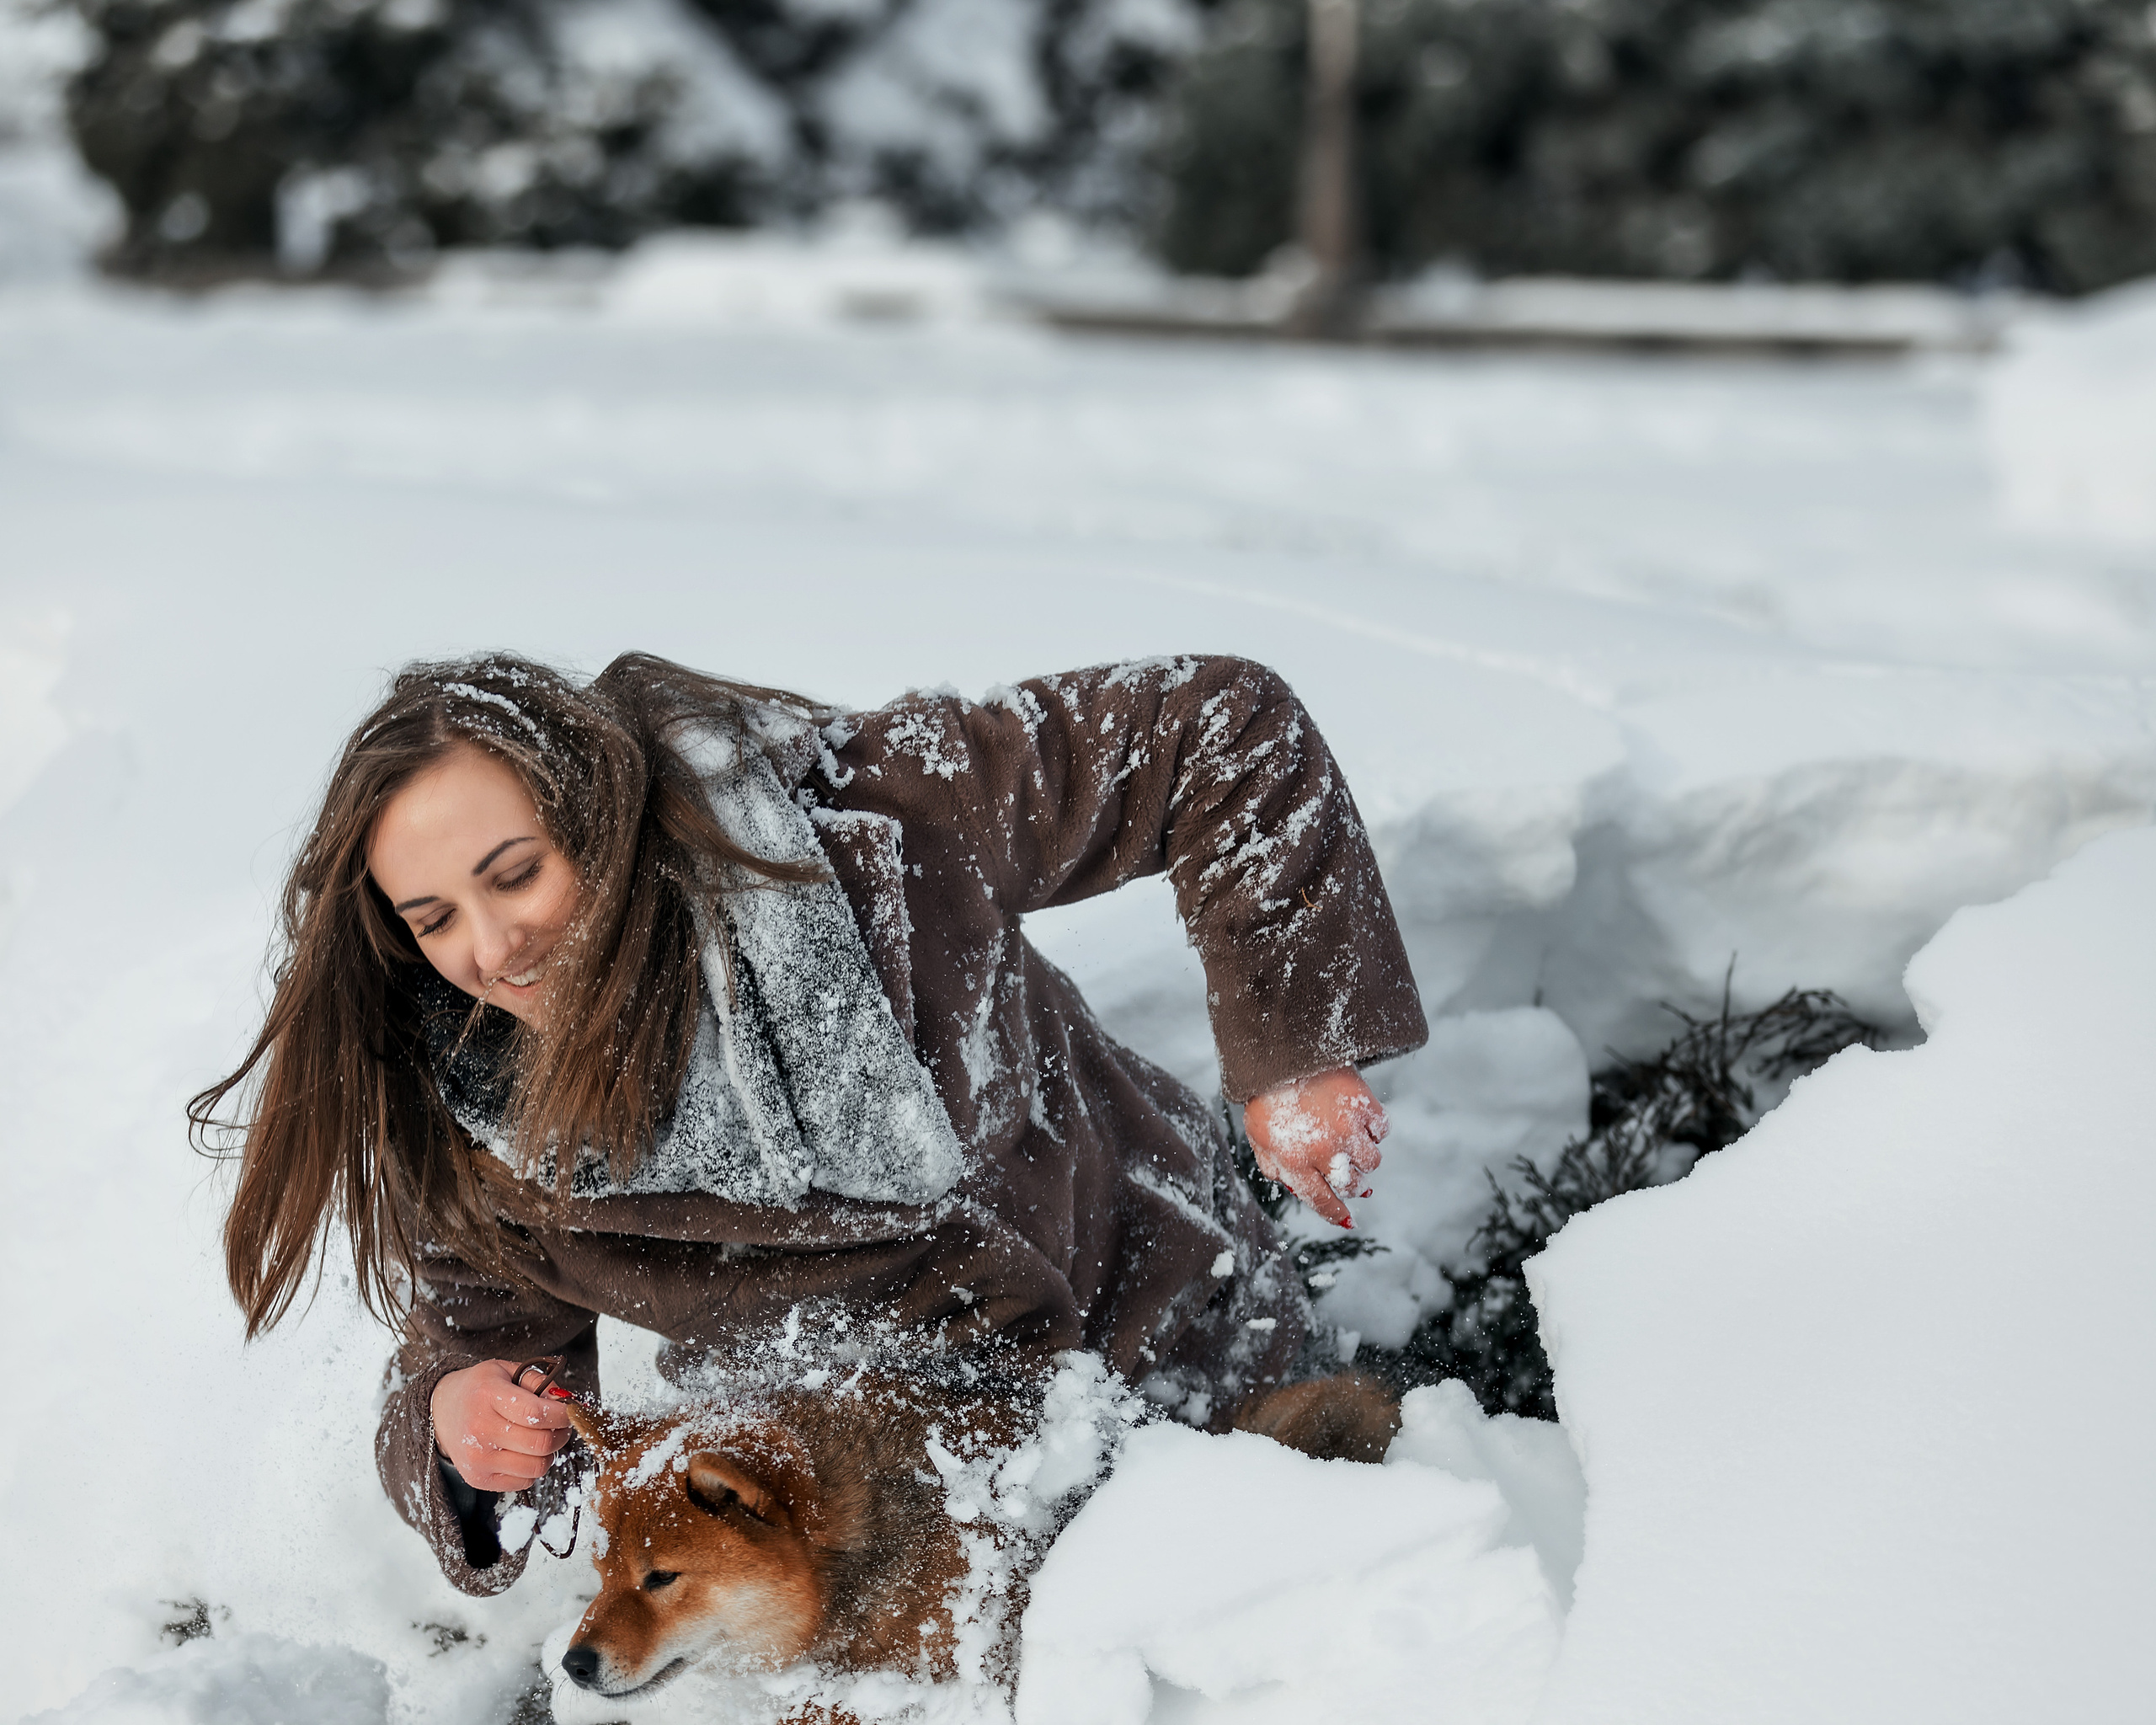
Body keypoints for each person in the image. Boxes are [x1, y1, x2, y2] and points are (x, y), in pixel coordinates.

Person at [195, 651, 1427, 1596]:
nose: (492, 944)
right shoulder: (469, 1111)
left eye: (516, 873)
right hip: (888, 1532)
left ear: (602, 815)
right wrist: (461, 1429)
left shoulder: (861, 823)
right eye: (433, 918)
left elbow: (1218, 728)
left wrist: (1297, 1047)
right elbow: (479, 1354)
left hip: (1170, 1326)